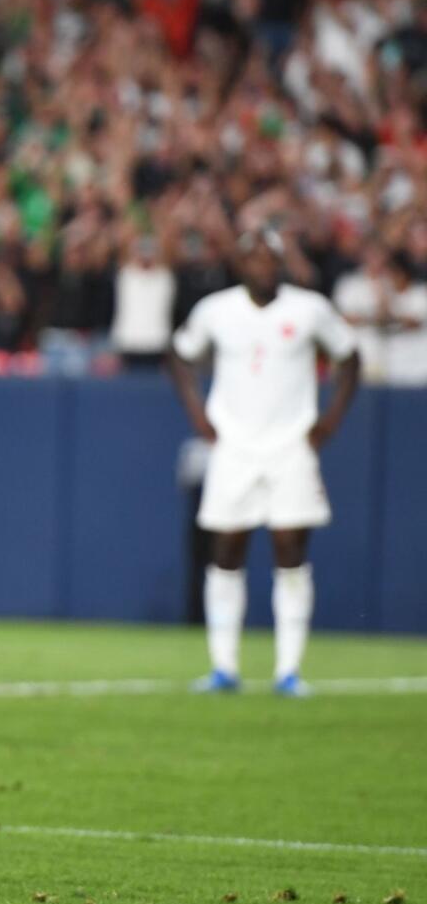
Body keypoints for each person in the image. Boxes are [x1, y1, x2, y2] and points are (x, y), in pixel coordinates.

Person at [167, 228, 360, 697]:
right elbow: (179, 353)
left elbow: (350, 356)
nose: (263, 266)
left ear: (282, 262)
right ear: (241, 265)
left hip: (290, 445)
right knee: (227, 549)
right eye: (254, 258)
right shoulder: (217, 311)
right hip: (234, 444)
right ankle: (223, 667)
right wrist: (197, 412)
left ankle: (288, 670)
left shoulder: (308, 309)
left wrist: (330, 419)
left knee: (290, 546)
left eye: (271, 258)